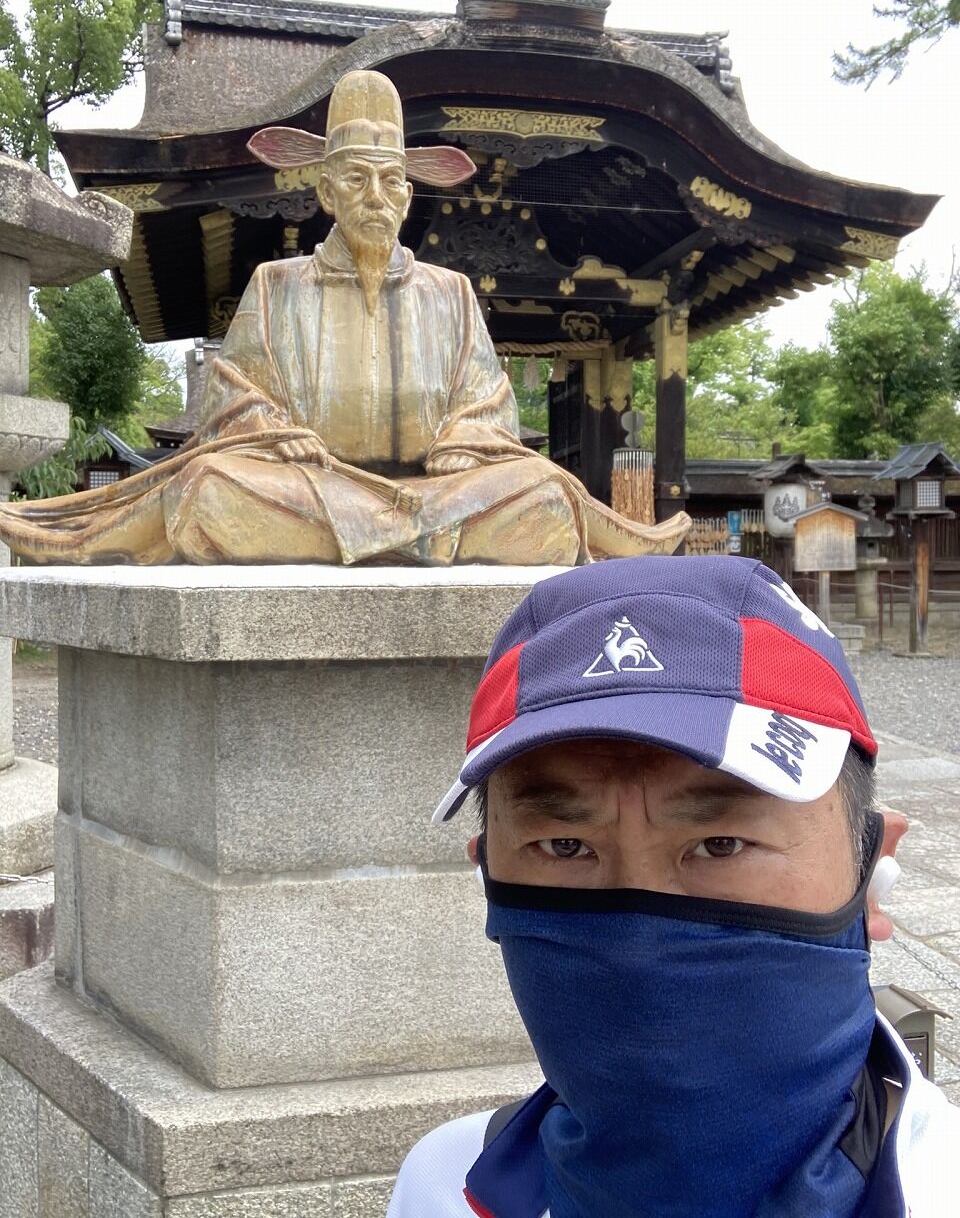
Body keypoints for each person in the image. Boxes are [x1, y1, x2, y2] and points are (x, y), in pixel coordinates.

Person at [388, 555, 959, 1217]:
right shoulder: (441, 1185)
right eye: (565, 846)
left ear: (871, 870)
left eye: (721, 845)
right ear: (488, 876)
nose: (638, 941)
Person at [0, 69, 687, 566]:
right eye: (357, 179)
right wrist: (273, 432)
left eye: (391, 182)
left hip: (440, 493)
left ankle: (401, 534)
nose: (375, 197)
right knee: (211, 491)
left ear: (408, 196)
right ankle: (424, 542)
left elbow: (487, 402)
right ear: (327, 191)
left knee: (543, 493)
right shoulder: (276, 286)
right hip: (313, 488)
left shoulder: (449, 293)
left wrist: (464, 439)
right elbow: (233, 394)